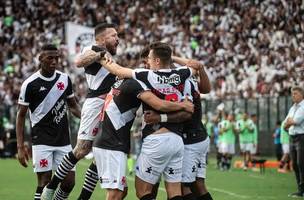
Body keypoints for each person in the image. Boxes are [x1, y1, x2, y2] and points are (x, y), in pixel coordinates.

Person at [99, 42, 200, 200]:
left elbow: (116, 70)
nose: (148, 62)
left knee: (142, 191)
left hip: (156, 138)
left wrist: (100, 56)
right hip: (177, 140)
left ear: (157, 61)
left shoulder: (146, 75)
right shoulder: (183, 73)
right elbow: (195, 65)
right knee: (174, 192)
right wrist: (172, 56)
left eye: (150, 59)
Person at [42, 23, 119, 200]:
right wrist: (100, 53)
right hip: (95, 104)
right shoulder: (92, 48)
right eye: (113, 35)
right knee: (82, 150)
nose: (118, 38)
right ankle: (51, 188)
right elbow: (78, 61)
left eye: (117, 35)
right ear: (101, 38)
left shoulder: (109, 56)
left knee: (100, 153)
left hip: (110, 106)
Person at [93, 76, 194, 200]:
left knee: (122, 191)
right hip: (111, 144)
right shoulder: (135, 83)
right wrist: (183, 105)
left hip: (109, 140)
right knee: (117, 193)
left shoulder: (122, 83)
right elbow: (159, 104)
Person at [16, 44, 81, 200]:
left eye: (56, 58)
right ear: (40, 59)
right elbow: (20, 116)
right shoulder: (30, 84)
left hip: (63, 140)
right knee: (45, 182)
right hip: (42, 140)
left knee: (69, 182)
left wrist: (89, 119)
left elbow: (73, 106)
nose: (54, 61)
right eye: (50, 58)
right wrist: (20, 146)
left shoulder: (64, 79)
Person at [144, 59, 213, 199]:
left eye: (148, 61)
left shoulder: (180, 82)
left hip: (191, 139)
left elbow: (187, 112)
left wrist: (160, 118)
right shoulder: (186, 77)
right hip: (199, 136)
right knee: (198, 185)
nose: (146, 65)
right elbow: (205, 87)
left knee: (181, 187)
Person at [283, 86, 304, 198]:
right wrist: (289, 123)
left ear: (301, 94)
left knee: (301, 164)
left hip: (301, 137)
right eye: (292, 94)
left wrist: (290, 122)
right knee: (295, 164)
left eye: (295, 93)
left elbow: (295, 121)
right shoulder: (292, 108)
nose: (293, 96)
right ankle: (300, 189)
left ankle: (302, 190)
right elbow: (285, 123)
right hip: (292, 137)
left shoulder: (303, 106)